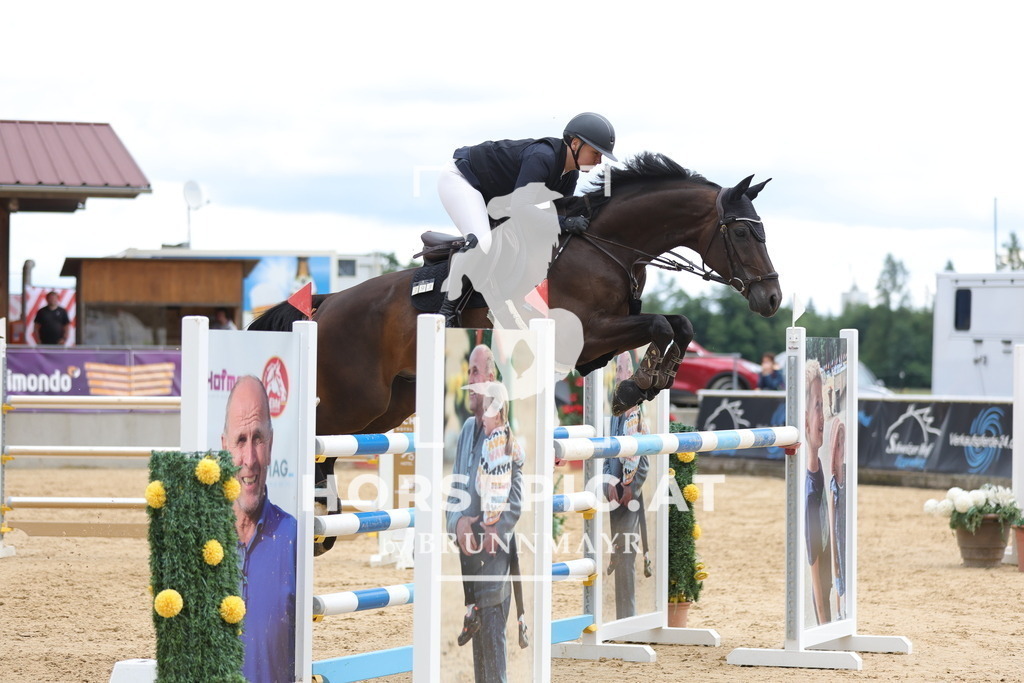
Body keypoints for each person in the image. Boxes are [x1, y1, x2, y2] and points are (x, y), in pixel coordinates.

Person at [435, 112, 617, 325]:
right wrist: (564, 224)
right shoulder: (542, 157)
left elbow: (553, 215)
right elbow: (522, 209)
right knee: (482, 243)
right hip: (462, 180)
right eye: (596, 152)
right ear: (575, 144)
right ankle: (446, 312)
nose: (599, 160)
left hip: (496, 197)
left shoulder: (569, 175)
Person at [446, 345, 523, 681]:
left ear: (490, 380)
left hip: (494, 558)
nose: (470, 378)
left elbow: (516, 498)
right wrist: (456, 524)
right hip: (469, 560)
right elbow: (456, 491)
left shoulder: (505, 438)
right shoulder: (466, 431)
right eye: (469, 371)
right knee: (480, 656)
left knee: (493, 648)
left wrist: (496, 529)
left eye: (475, 372)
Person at [221, 375, 298, 683]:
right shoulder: (196, 540)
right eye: (240, 441)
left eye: (258, 439)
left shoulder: (295, 537)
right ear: (223, 446)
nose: (250, 459)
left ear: (272, 443)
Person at [604, 351, 651, 620]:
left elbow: (644, 459)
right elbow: (607, 454)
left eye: (623, 371)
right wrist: (608, 483)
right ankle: (621, 616)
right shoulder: (614, 414)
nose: (619, 376)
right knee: (617, 554)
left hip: (631, 495)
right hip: (612, 494)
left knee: (626, 555)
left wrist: (632, 488)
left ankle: (628, 616)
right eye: (617, 371)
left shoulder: (638, 413)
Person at [803, 359, 833, 625]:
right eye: (817, 406)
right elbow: (815, 571)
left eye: (823, 405)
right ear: (804, 419)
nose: (822, 417)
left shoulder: (818, 470)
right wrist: (824, 625)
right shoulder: (810, 492)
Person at [828, 417, 847, 620]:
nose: (842, 454)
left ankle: (843, 613)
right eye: (838, 446)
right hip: (837, 539)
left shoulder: (847, 480)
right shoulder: (833, 486)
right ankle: (838, 613)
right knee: (838, 569)